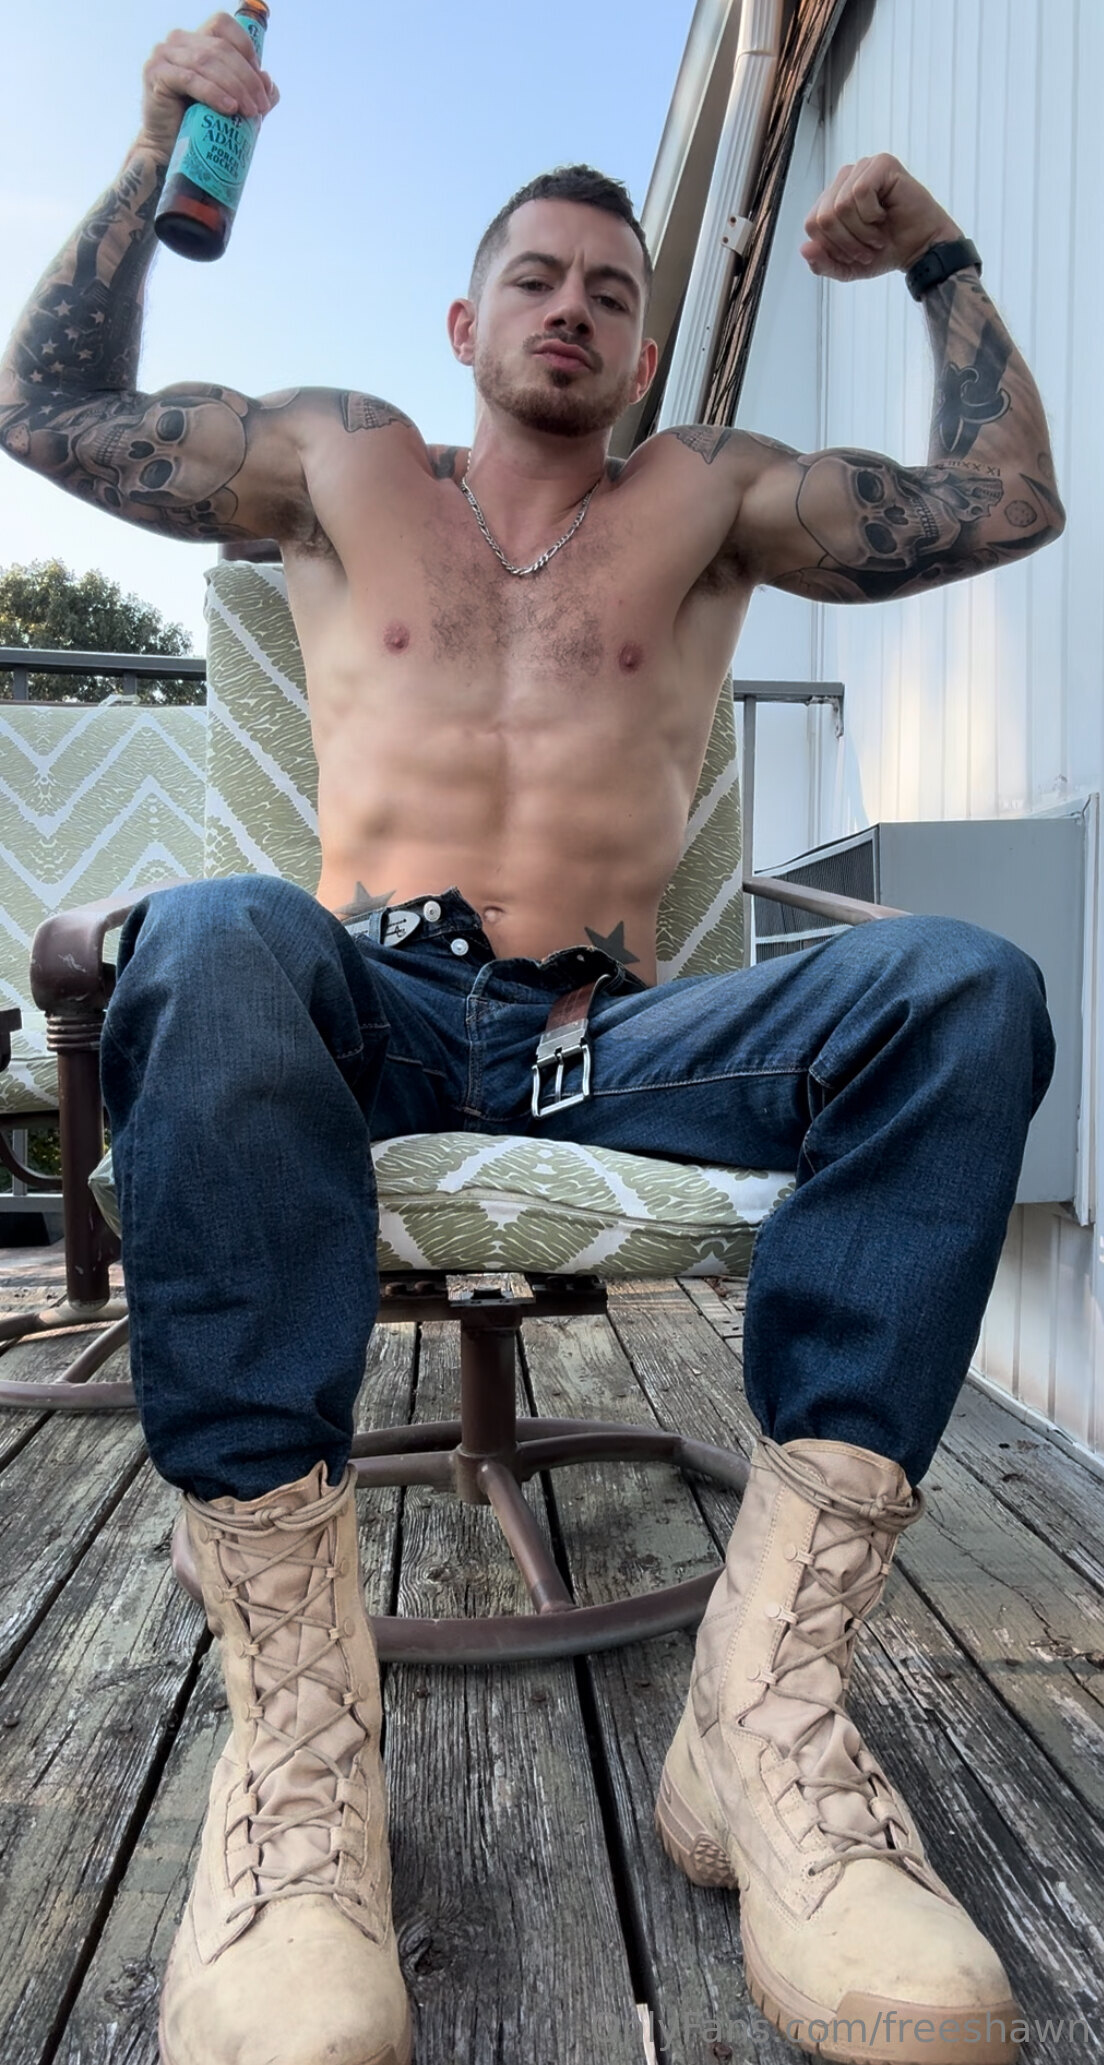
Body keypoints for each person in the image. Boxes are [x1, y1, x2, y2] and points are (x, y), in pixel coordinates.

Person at [0, 13, 1063, 2065]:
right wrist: (152, 150)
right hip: (366, 1004)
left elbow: (1008, 501)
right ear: (464, 316)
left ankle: (761, 1712)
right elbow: (45, 409)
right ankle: (299, 1756)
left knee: (964, 986)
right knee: (209, 928)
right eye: (537, 278)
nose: (573, 308)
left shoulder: (710, 495)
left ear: (644, 351)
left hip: (613, 1031)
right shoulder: (339, 461)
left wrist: (940, 258)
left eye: (611, 291)